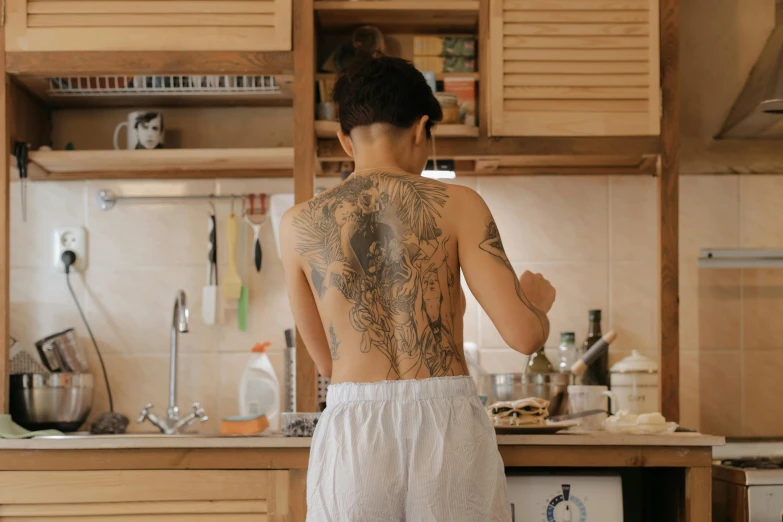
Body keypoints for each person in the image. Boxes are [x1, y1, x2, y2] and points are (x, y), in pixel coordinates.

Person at [280, 54, 556, 522]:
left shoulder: (298, 225)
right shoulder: (460, 204)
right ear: (421, 127)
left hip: (353, 427)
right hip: (446, 422)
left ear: (345, 139)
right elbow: (525, 336)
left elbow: (328, 362)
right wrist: (538, 304)